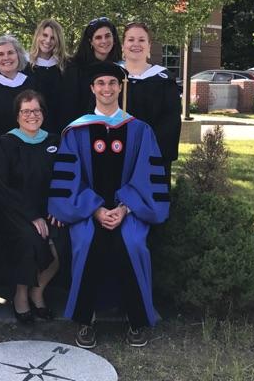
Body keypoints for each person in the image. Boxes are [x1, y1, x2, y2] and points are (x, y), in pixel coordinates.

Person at [48, 62, 169, 349]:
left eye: (112, 83)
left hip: (130, 210)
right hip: (88, 211)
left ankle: (136, 320)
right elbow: (69, 179)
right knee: (87, 242)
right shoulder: (76, 131)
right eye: (100, 83)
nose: (106, 88)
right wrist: (96, 209)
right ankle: (85, 320)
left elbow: (147, 176)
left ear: (120, 87)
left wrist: (124, 207)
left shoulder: (140, 130)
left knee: (133, 244)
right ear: (92, 89)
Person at [0, 89, 60, 324]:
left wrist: (57, 210)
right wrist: (32, 216)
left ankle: (37, 290)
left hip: (50, 210)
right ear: (17, 115)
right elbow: (2, 186)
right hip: (14, 211)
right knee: (29, 238)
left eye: (37, 110)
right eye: (26, 111)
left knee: (64, 241)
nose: (32, 115)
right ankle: (21, 295)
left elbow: (64, 179)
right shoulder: (6, 143)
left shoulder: (54, 141)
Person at [121, 22, 181, 187]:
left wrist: (145, 148)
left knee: (149, 202)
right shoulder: (110, 77)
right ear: (123, 45)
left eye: (141, 40)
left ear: (149, 46)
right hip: (115, 153)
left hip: (152, 153)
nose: (136, 44)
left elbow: (171, 121)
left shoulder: (163, 79)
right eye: (131, 39)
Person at [60, 17, 122, 124]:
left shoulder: (121, 68)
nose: (104, 41)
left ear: (114, 38)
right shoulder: (75, 68)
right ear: (90, 42)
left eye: (107, 36)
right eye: (98, 37)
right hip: (82, 128)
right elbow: (68, 106)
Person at [23, 19, 69, 132]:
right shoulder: (24, 67)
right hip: (33, 129)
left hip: (61, 129)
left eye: (53, 38)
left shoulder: (66, 67)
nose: (48, 41)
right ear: (38, 35)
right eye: (45, 35)